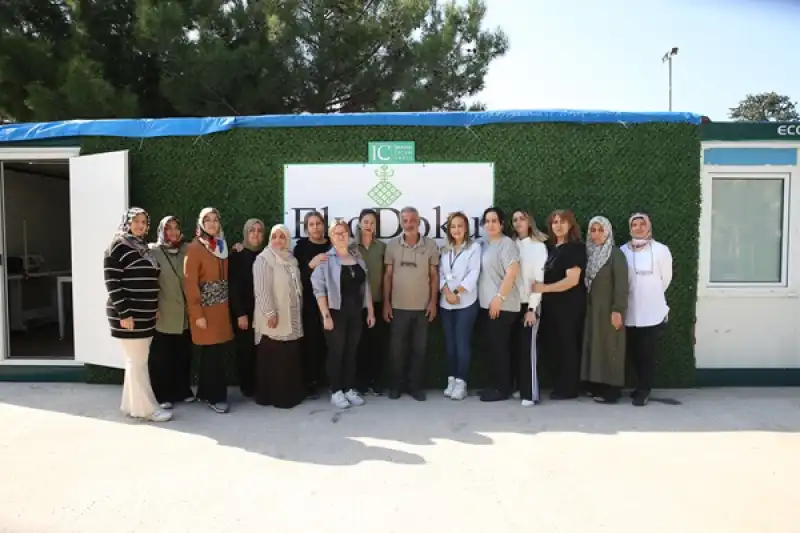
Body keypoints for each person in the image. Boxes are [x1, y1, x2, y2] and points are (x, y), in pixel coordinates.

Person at [104, 207, 171, 423]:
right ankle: (146, 409)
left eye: (144, 222)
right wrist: (124, 313)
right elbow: (112, 283)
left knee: (135, 361)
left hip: (145, 314)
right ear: (127, 222)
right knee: (137, 361)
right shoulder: (118, 245)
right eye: (136, 221)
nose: (140, 225)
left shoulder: (141, 247)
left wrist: (154, 308)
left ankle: (130, 404)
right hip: (129, 314)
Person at [312, 220, 376, 409]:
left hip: (355, 313)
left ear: (348, 235)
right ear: (331, 237)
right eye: (336, 233)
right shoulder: (325, 260)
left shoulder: (357, 258)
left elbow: (366, 287)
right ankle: (336, 391)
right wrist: (325, 316)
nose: (341, 236)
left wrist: (370, 311)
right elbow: (319, 290)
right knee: (336, 353)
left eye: (344, 232)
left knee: (351, 352)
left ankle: (348, 388)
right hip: (335, 314)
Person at [383, 206, 440, 401]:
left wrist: (433, 302)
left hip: (422, 308)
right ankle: (396, 386)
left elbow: (434, 276)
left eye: (412, 220)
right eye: (405, 220)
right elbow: (388, 276)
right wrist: (386, 304)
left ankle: (415, 387)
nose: (409, 224)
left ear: (419, 221)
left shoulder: (430, 245)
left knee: (419, 350)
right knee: (396, 351)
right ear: (401, 223)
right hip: (398, 307)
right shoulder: (392, 246)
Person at [532, 209, 587, 400]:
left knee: (568, 346)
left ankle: (569, 388)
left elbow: (572, 280)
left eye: (562, 222)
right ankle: (560, 385)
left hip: (569, 308)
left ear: (571, 225)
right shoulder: (553, 249)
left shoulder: (575, 249)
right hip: (553, 308)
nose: (558, 225)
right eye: (554, 222)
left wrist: (543, 288)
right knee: (556, 346)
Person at [184, 207, 234, 414]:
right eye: (208, 220)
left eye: (215, 219)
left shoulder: (221, 245)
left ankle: (205, 392)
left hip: (222, 309)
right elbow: (190, 283)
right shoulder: (195, 248)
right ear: (201, 224)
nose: (212, 224)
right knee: (213, 354)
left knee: (214, 352)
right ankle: (216, 396)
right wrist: (197, 314)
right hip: (205, 309)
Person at [621, 213, 673, 407]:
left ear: (648, 227)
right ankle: (638, 386)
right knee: (633, 352)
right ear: (630, 228)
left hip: (652, 310)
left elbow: (665, 278)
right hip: (631, 310)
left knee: (647, 353)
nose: (639, 227)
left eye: (642, 224)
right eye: (635, 224)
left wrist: (651, 294)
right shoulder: (623, 250)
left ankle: (644, 390)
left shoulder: (661, 250)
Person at [252, 224, 306, 409]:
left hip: (291, 315)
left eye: (282, 237)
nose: (278, 240)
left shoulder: (291, 259)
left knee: (288, 357)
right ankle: (271, 397)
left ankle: (288, 396)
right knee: (273, 358)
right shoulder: (264, 259)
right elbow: (261, 290)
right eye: (274, 236)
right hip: (272, 318)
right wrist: (270, 313)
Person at [147, 216, 195, 410]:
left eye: (176, 228)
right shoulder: (152, 251)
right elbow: (148, 280)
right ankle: (162, 394)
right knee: (162, 356)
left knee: (183, 355)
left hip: (184, 313)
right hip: (164, 311)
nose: (173, 232)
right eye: (168, 229)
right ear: (162, 231)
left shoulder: (187, 249)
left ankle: (182, 390)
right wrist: (152, 307)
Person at [581, 216, 629, 404]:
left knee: (611, 347)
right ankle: (596, 385)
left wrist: (618, 309)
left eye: (601, 230)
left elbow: (622, 285)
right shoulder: (590, 254)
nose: (596, 234)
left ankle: (612, 390)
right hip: (593, 310)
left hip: (610, 309)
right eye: (593, 230)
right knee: (595, 346)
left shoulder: (615, 254)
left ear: (608, 232)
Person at [477, 207, 522, 402]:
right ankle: (497, 385)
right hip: (488, 305)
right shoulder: (486, 245)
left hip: (502, 306)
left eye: (494, 220)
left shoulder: (507, 244)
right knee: (493, 348)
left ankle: (502, 390)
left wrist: (499, 298)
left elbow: (512, 272)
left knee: (500, 349)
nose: (490, 224)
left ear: (502, 224)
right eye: (487, 221)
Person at [439, 211, 481, 401]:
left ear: (466, 228)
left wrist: (457, 293)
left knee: (462, 343)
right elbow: (440, 272)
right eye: (453, 226)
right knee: (450, 344)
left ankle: (461, 382)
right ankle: (451, 379)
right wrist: (447, 292)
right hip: (446, 303)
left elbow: (474, 273)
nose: (456, 230)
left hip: (466, 303)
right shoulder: (445, 249)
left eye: (460, 226)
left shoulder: (474, 248)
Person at [510, 209, 549, 407]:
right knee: (517, 349)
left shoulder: (538, 247)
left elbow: (538, 280)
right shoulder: (511, 245)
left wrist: (532, 308)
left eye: (522, 219)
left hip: (529, 305)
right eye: (515, 220)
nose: (518, 223)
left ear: (529, 222)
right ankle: (520, 388)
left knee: (529, 350)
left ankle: (531, 393)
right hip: (512, 304)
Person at [292, 211, 332, 399]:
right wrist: (311, 265)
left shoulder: (332, 245)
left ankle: (330, 380)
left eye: (318, 223)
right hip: (310, 303)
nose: (315, 227)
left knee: (331, 343)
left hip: (332, 303)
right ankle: (311, 382)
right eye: (311, 224)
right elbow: (296, 277)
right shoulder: (301, 248)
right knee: (311, 343)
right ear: (306, 228)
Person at [229, 218, 265, 398]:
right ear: (246, 233)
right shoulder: (237, 255)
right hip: (245, 312)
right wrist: (240, 313)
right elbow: (233, 287)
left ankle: (261, 384)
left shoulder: (266, 255)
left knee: (262, 349)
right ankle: (247, 386)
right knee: (245, 350)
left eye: (259, 231)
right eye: (252, 231)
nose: (256, 234)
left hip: (263, 311)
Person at [354, 209, 387, 396]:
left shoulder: (382, 247)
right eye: (365, 221)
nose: (369, 225)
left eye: (372, 222)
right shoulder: (351, 247)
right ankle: (360, 382)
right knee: (359, 345)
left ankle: (376, 381)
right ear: (359, 223)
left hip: (377, 301)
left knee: (377, 344)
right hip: (357, 305)